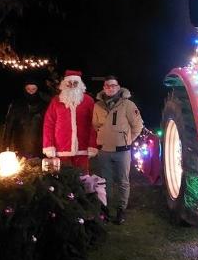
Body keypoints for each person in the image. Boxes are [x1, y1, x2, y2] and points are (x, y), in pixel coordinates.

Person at [92, 75, 143, 224]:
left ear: (118, 87)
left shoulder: (127, 105)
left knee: (123, 181)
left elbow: (137, 126)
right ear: (104, 88)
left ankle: (121, 210)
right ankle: (106, 210)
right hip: (104, 151)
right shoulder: (98, 106)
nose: (110, 88)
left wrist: (128, 140)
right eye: (107, 86)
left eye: (113, 86)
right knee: (105, 181)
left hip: (122, 151)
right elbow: (95, 125)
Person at [42, 70, 98, 172]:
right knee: (64, 180)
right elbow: (48, 124)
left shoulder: (88, 101)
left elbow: (93, 125)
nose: (72, 85)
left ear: (80, 84)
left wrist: (92, 145)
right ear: (64, 84)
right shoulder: (56, 101)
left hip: (83, 147)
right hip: (61, 148)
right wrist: (49, 145)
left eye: (75, 83)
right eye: (69, 83)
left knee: (83, 179)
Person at [1, 79, 49, 158]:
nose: (31, 92)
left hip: (39, 147)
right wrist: (5, 147)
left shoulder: (44, 106)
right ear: (25, 89)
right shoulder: (16, 105)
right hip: (20, 146)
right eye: (28, 89)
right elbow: (9, 127)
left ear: (37, 90)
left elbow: (49, 127)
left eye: (33, 89)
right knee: (23, 167)